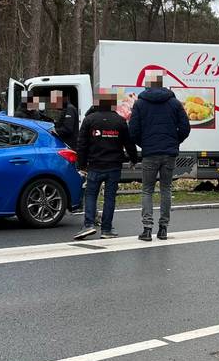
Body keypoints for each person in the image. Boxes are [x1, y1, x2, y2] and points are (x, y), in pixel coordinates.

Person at [128, 74, 190, 241]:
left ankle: (147, 229)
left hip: (150, 154)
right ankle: (163, 229)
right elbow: (185, 127)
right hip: (169, 154)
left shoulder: (140, 104)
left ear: (148, 85)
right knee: (166, 189)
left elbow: (132, 131)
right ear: (162, 84)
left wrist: (144, 144)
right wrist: (175, 141)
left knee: (147, 190)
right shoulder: (174, 103)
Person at [74, 91, 140, 241]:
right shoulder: (120, 121)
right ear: (113, 104)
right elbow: (128, 143)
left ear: (97, 103)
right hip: (114, 166)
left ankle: (89, 224)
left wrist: (81, 164)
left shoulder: (89, 120)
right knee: (110, 198)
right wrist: (133, 159)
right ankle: (106, 229)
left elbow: (82, 144)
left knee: (91, 195)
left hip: (95, 165)